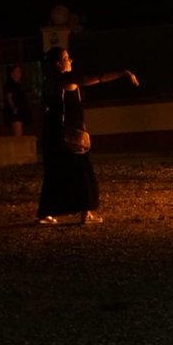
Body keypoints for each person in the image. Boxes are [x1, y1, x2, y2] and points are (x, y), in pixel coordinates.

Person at [36, 46, 139, 225]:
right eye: (67, 57)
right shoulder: (67, 80)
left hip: (52, 134)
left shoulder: (49, 82)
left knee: (55, 174)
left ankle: (47, 213)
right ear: (59, 64)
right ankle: (87, 213)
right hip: (70, 135)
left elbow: (46, 108)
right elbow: (94, 79)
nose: (71, 60)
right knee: (83, 173)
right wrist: (122, 73)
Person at [2, 64, 32, 135]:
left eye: (20, 72)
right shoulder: (10, 84)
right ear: (12, 73)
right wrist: (14, 108)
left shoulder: (18, 85)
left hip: (20, 111)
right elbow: (9, 97)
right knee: (18, 134)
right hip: (15, 113)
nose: (19, 74)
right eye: (17, 71)